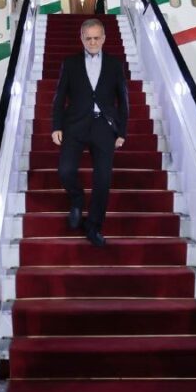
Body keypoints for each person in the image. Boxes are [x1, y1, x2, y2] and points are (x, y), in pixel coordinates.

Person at [51, 17, 129, 247]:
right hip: (75, 124)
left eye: (96, 38)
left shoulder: (114, 64)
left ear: (104, 38)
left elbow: (123, 101)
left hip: (103, 126)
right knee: (65, 170)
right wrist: (56, 126)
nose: (93, 42)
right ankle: (77, 198)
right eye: (88, 38)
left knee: (103, 180)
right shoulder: (70, 63)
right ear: (82, 38)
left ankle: (93, 226)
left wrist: (122, 131)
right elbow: (59, 97)